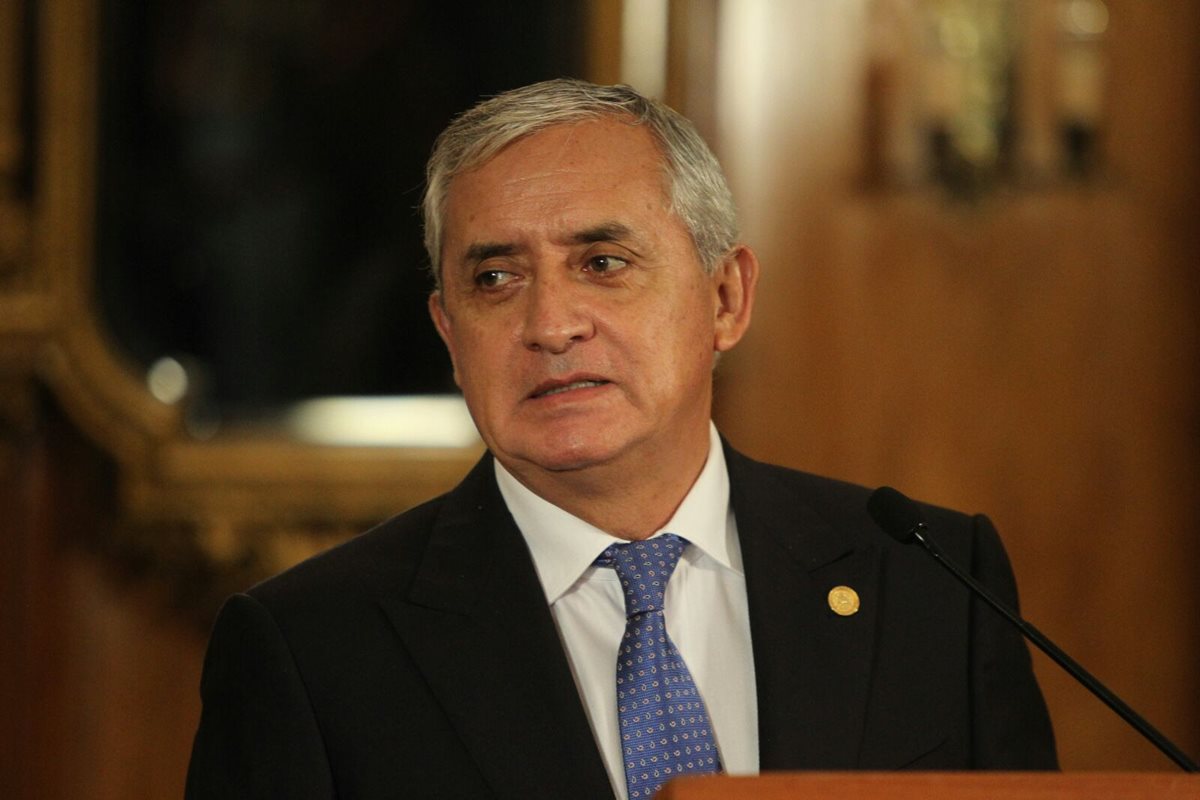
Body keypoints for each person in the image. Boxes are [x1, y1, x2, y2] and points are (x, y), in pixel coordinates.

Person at [185, 79, 1056, 800]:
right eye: (496, 278)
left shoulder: (932, 583)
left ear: (725, 298)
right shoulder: (311, 649)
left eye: (602, 264)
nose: (550, 325)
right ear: (449, 333)